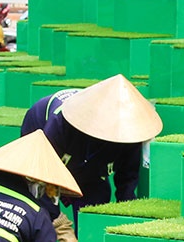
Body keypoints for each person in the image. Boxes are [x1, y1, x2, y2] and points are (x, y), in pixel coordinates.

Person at [21, 73, 161, 218]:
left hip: (90, 160)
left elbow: (127, 178)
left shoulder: (132, 133)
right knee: (43, 205)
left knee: (97, 199)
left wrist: (127, 213)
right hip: (45, 136)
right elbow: (42, 173)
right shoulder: (60, 122)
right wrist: (60, 225)